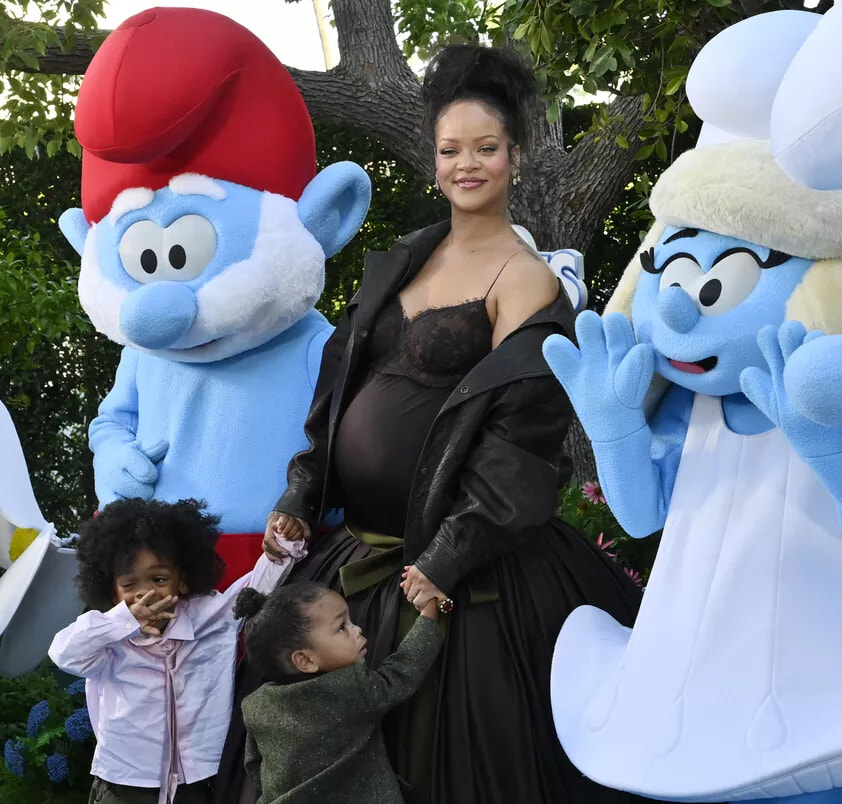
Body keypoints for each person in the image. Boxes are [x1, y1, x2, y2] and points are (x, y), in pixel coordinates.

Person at [216, 43, 643, 804]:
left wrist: (448, 555)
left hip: (463, 568)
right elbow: (339, 389)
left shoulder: (526, 279)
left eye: (485, 148)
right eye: (450, 150)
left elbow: (522, 444)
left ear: (514, 156)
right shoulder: (406, 258)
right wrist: (303, 489)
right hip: (358, 552)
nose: (465, 164)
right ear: (434, 160)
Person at [48, 498, 306, 804]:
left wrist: (282, 541)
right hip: (125, 782)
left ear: (182, 581)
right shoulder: (105, 636)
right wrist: (123, 620)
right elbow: (63, 653)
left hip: (197, 781)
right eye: (129, 584)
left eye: (158, 579)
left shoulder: (211, 615)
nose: (145, 592)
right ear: (112, 591)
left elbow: (258, 586)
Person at [235, 582, 443, 803]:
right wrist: (429, 614)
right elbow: (402, 671)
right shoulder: (351, 689)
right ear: (305, 660)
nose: (357, 629)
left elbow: (254, 765)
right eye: (342, 627)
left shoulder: (255, 705)